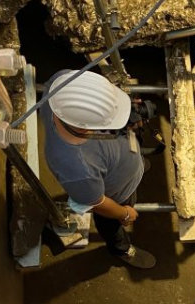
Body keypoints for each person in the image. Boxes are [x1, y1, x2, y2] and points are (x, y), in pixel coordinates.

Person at [41, 69, 155, 269]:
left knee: (133, 164)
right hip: (118, 192)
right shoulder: (77, 169)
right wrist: (123, 213)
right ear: (85, 127)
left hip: (122, 160)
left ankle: (137, 166)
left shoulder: (60, 85)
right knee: (110, 223)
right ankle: (120, 248)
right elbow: (97, 203)